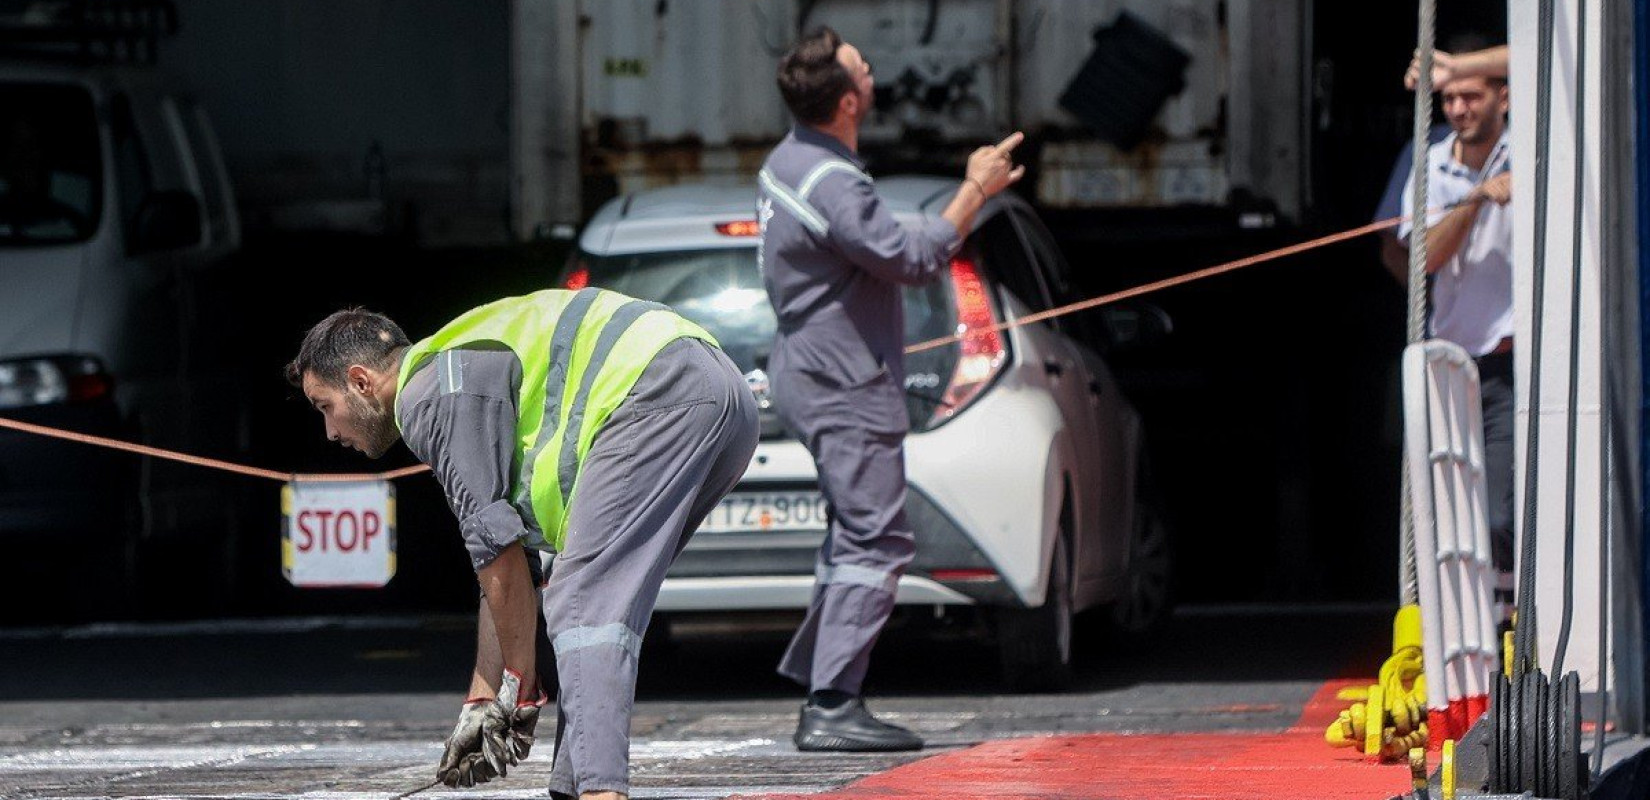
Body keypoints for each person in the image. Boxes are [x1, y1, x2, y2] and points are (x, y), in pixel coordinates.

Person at [286, 290, 759, 799]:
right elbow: (513, 567)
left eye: (325, 406)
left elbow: (497, 554)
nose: (330, 431)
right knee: (594, 600)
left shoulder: (430, 396)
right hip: (720, 391)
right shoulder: (453, 365)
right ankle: (573, 787)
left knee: (583, 603)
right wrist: (485, 697)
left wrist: (521, 685)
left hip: (660, 389)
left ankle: (602, 792)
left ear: (361, 381)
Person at [757, 26, 1025, 752]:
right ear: (849, 101)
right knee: (877, 538)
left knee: (854, 535)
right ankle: (833, 701)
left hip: (810, 369)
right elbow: (910, 257)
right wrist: (975, 188)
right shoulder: (835, 181)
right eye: (864, 68)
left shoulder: (792, 161)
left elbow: (868, 239)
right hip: (844, 379)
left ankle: (827, 688)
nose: (873, 73)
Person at [1397, 64, 1515, 570]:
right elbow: (1424, 257)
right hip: (1451, 365)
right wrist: (1475, 200)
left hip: (1512, 368)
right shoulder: (1431, 165)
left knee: (1499, 518)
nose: (1459, 109)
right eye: (1449, 100)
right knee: (1448, 520)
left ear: (1503, 98)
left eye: (1471, 96)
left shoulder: (1529, 151)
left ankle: (1513, 630)